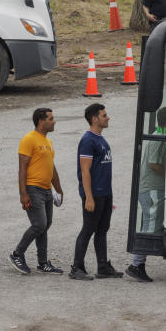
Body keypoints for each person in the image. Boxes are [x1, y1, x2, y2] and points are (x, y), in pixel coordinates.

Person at [69, 103, 122, 280]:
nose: (108, 118)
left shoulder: (101, 139)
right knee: (88, 229)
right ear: (94, 119)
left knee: (102, 229)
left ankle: (103, 267)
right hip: (94, 194)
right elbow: (85, 172)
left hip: (105, 193)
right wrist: (89, 198)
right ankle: (76, 268)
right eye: (104, 115)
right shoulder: (88, 140)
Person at [10, 107, 64, 275]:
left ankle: (43, 263)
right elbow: (22, 168)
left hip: (47, 189)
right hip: (33, 189)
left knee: (45, 225)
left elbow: (51, 167)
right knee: (39, 224)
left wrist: (59, 189)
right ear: (41, 121)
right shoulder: (29, 139)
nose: (54, 121)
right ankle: (17, 254)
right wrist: (23, 193)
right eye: (51, 118)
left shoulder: (47, 141)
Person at [126, 107, 166, 282]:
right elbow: (153, 164)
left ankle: (138, 263)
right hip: (153, 189)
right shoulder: (159, 137)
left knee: (150, 224)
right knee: (150, 227)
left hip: (150, 189)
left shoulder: (158, 133)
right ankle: (136, 265)